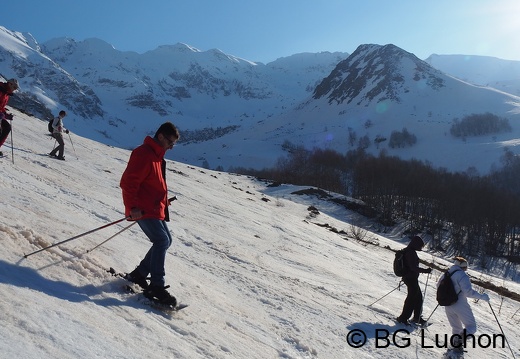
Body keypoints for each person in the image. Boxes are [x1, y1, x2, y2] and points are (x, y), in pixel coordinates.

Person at [120, 121, 180, 306]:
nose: (171, 147)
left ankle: (139, 275)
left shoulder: (157, 156)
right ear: (160, 136)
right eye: (170, 142)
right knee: (161, 240)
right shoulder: (144, 154)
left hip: (154, 208)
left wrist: (163, 201)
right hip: (142, 209)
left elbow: (151, 185)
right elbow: (128, 182)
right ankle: (156, 286)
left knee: (166, 241)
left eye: (173, 144)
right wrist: (132, 208)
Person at [438, 256, 490, 354]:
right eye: (466, 267)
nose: (466, 269)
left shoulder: (447, 273)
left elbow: (438, 286)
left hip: (448, 305)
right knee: (471, 327)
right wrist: (483, 297)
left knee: (456, 328)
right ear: (463, 266)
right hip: (460, 304)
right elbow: (468, 292)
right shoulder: (462, 275)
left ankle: (455, 347)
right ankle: (458, 343)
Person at [396, 235, 432, 325]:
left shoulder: (409, 251)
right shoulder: (410, 253)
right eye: (420, 245)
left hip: (410, 278)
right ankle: (403, 318)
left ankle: (417, 317)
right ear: (416, 244)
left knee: (418, 297)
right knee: (412, 298)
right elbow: (413, 268)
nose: (420, 247)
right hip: (410, 278)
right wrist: (425, 270)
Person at [0, 78, 19, 156]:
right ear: (9, 84)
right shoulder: (1, 90)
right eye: (14, 87)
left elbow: (1, 106)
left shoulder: (6, 94)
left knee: (7, 128)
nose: (15, 90)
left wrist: (6, 114)